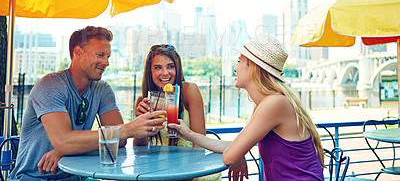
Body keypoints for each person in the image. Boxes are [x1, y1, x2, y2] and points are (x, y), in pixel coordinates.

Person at [9, 26, 166, 181]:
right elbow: (64, 141)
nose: (106, 62)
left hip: (75, 176)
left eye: (108, 57)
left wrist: (64, 151)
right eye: (100, 55)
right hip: (34, 177)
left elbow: (120, 142)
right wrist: (128, 129)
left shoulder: (102, 89)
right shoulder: (49, 86)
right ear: (78, 52)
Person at [169, 33, 325, 181]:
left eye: (239, 61)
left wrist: (238, 153)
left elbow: (230, 156)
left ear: (253, 66)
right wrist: (188, 134)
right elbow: (234, 147)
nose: (235, 68)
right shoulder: (266, 104)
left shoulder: (274, 104)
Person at [134, 44, 221, 181]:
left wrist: (186, 177)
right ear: (150, 72)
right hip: (160, 172)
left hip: (193, 172)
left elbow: (199, 145)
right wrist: (140, 123)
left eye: (170, 66)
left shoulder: (189, 91)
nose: (165, 73)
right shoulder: (143, 101)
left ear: (177, 69)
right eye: (158, 67)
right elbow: (140, 150)